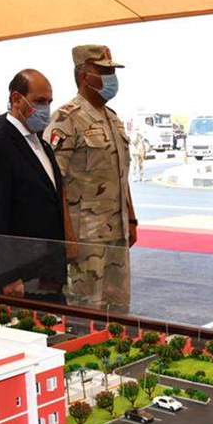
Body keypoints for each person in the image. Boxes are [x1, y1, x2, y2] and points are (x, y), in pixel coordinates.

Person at [46, 45, 136, 314]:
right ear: (84, 76)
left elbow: (121, 175)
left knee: (118, 308)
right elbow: (54, 184)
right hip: (85, 237)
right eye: (104, 71)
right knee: (86, 311)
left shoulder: (113, 119)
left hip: (117, 233)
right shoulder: (66, 119)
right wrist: (67, 237)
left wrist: (131, 219)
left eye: (112, 71)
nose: (111, 78)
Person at [0, 69, 69, 305]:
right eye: (40, 101)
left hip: (47, 272)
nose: (46, 108)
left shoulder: (43, 146)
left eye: (49, 102)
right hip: (18, 279)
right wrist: (8, 275)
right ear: (16, 99)